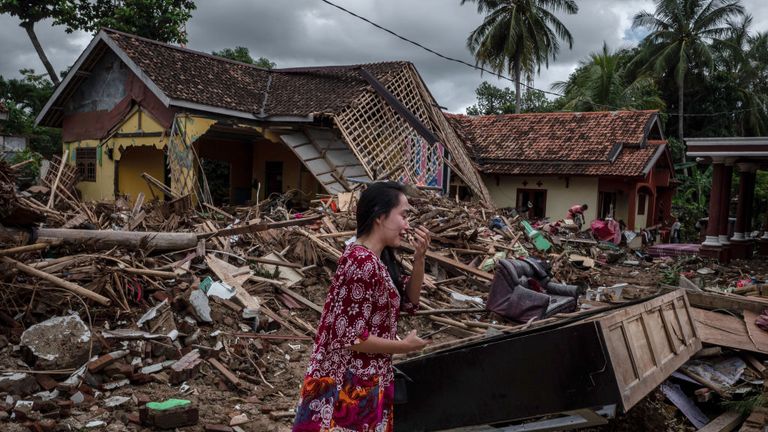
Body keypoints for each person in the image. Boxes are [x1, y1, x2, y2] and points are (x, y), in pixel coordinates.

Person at [292, 181, 430, 431]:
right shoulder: (361, 263)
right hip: (348, 385)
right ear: (380, 216)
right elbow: (352, 337)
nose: (407, 225)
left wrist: (419, 259)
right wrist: (404, 347)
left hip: (365, 382)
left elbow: (410, 302)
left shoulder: (376, 259)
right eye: (403, 215)